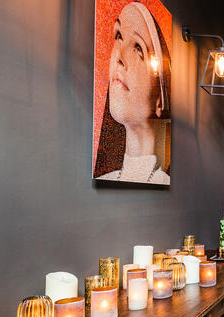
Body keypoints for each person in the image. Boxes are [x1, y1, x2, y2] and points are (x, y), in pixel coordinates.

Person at [94, 2, 171, 184]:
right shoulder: (107, 179)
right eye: (119, 36)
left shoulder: (162, 179)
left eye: (138, 48)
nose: (119, 56)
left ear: (160, 102)